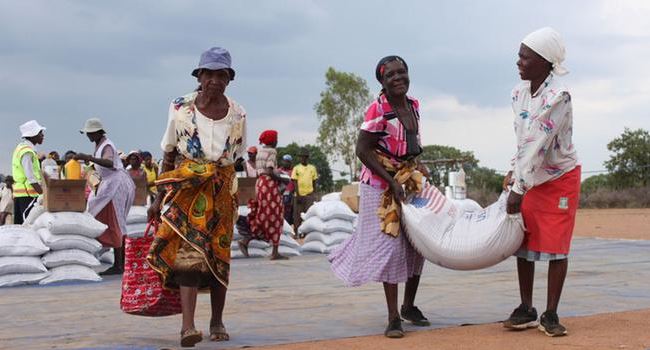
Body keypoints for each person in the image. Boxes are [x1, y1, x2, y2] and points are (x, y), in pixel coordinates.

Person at [147, 46, 246, 347]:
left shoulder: (238, 112)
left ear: (229, 79)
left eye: (221, 75)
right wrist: (159, 195)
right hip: (188, 189)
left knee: (218, 254)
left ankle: (217, 320)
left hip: (222, 190)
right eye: (209, 74)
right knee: (187, 254)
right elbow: (168, 150)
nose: (215, 80)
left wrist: (218, 176)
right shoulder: (180, 108)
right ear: (199, 76)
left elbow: (236, 155)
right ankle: (187, 327)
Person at [329, 56, 429, 338]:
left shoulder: (414, 106)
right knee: (391, 246)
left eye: (402, 72)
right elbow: (363, 150)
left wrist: (417, 164)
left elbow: (412, 144)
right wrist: (390, 181)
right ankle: (393, 316)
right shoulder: (378, 110)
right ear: (382, 82)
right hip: (378, 184)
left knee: (417, 245)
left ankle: (409, 305)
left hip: (406, 180)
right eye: (391, 75)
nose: (398, 78)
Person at [501, 28, 580, 337]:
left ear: (545, 62)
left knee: (556, 246)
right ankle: (526, 308)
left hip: (559, 177)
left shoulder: (558, 97)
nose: (518, 61)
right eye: (519, 55)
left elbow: (539, 141)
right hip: (529, 177)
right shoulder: (517, 93)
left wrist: (519, 187)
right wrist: (513, 172)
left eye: (525, 56)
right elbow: (522, 139)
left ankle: (550, 313)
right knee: (524, 243)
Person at [76, 118, 135, 275]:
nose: (88, 136)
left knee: (116, 222)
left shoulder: (107, 145)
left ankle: (119, 265)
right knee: (111, 220)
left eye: (89, 133)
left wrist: (89, 158)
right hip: (111, 184)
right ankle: (120, 263)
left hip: (115, 186)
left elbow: (109, 163)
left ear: (97, 132)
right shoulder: (100, 145)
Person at [238, 130, 289, 260]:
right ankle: (275, 252)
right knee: (276, 215)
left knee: (263, 215)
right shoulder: (272, 151)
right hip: (269, 185)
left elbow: (259, 172)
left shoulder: (260, 151)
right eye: (276, 139)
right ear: (272, 141)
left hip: (260, 184)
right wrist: (282, 180)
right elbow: (270, 170)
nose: (277, 141)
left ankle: (246, 240)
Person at [11, 120, 46, 224]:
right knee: (28, 225)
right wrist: (43, 194)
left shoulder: (21, 148)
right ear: (33, 135)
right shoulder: (27, 152)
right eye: (40, 133)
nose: (42, 135)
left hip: (20, 194)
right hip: (28, 194)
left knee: (20, 225)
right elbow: (30, 177)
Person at [291, 148, 318, 232]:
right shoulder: (296, 168)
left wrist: (314, 193)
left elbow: (314, 181)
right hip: (299, 195)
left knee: (309, 215)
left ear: (307, 158)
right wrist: (297, 194)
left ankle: (307, 232)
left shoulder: (312, 168)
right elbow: (295, 182)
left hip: (309, 195)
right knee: (297, 216)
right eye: (301, 157)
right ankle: (296, 232)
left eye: (304, 157)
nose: (302, 159)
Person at [278, 154, 295, 225]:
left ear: (290, 163)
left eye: (288, 161)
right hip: (280, 195)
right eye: (284, 161)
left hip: (290, 196)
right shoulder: (278, 171)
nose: (286, 163)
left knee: (288, 214)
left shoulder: (293, 171)